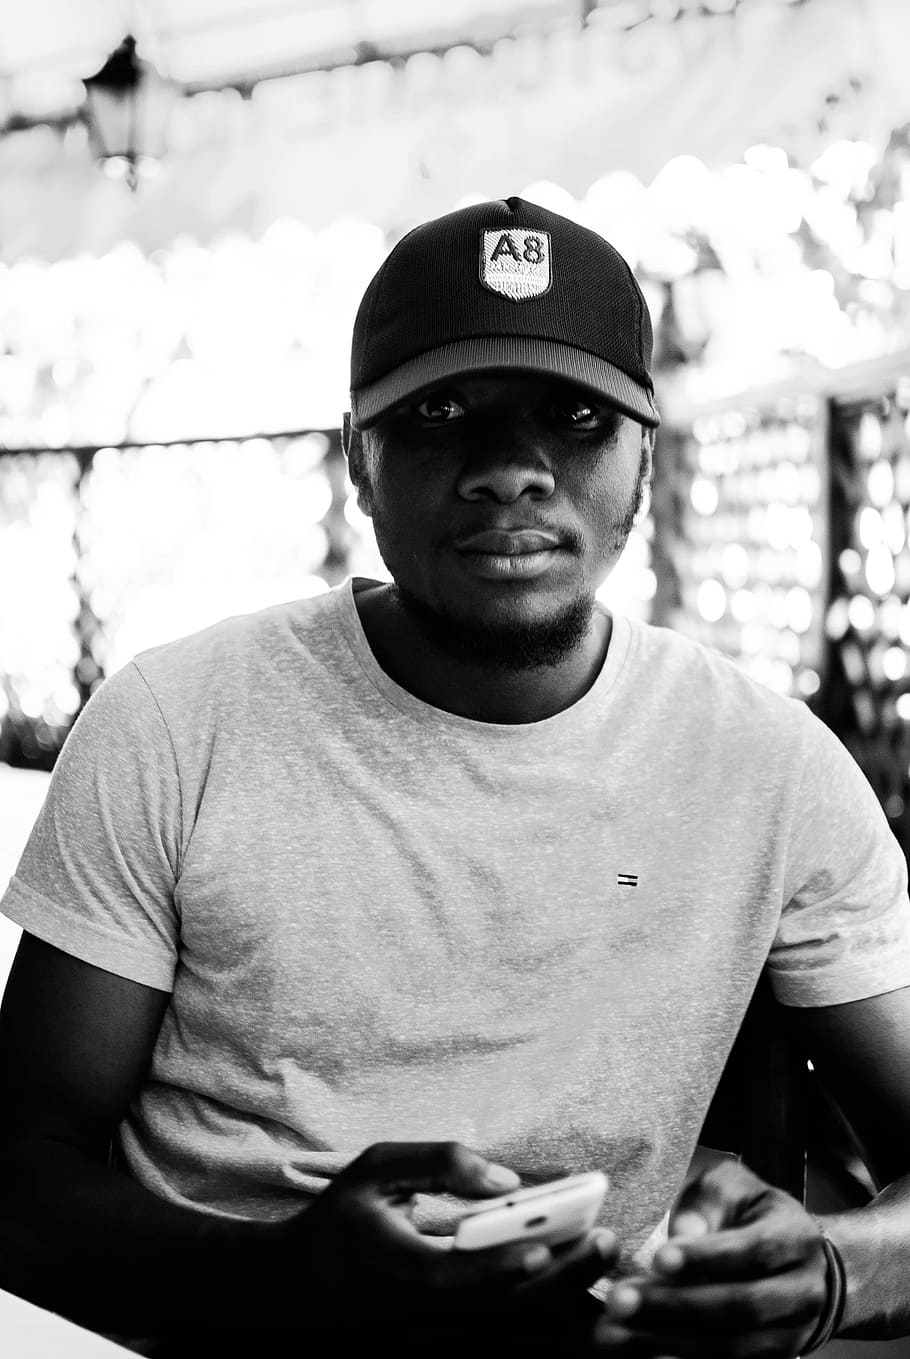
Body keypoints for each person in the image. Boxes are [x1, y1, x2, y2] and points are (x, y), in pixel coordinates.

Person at [1, 195, 910, 1359]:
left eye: (572, 417)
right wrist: (284, 1279)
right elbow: (18, 1177)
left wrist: (828, 1271)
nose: (509, 471)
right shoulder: (177, 721)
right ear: (358, 462)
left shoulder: (768, 768)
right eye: (439, 414)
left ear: (645, 457)